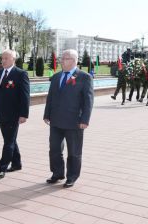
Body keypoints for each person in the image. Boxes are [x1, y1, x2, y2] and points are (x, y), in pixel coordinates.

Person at [43, 49, 94, 188]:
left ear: (74, 60)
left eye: (65, 58)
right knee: (54, 149)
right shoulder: (56, 76)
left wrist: (85, 120)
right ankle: (57, 173)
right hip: (56, 121)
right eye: (62, 58)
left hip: (74, 122)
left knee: (74, 152)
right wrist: (47, 114)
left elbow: (88, 101)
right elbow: (51, 97)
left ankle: (72, 177)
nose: (61, 61)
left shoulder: (84, 77)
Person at [0, 49, 30, 178]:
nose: (3, 61)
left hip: (14, 115)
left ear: (13, 60)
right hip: (1, 113)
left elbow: (25, 96)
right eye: (2, 58)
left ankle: (2, 168)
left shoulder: (21, 74)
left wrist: (24, 114)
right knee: (10, 139)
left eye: (6, 58)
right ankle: (16, 163)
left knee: (8, 142)